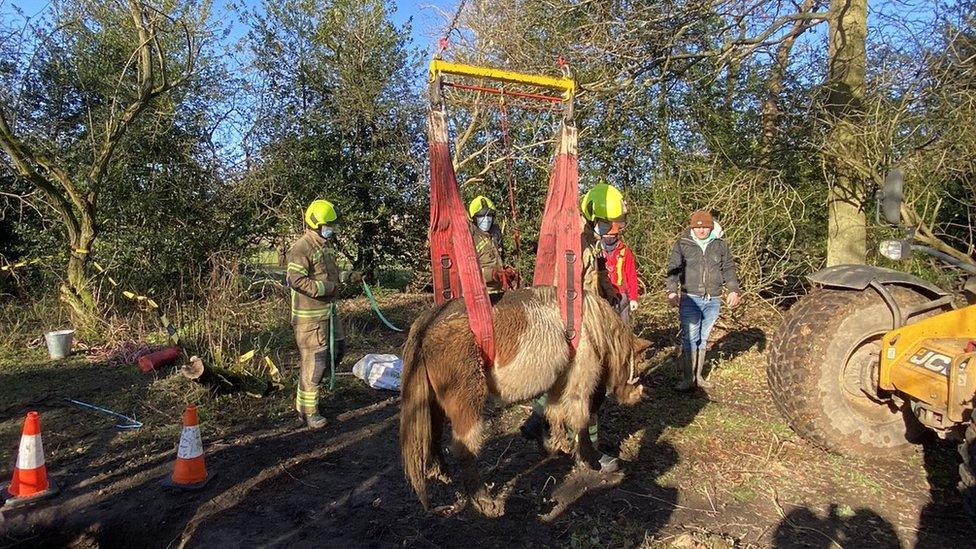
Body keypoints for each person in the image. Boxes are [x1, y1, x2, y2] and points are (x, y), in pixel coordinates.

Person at [520, 182, 627, 473]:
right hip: (575, 322)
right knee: (588, 389)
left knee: (564, 382)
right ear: (594, 216)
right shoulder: (574, 241)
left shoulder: (592, 239)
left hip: (590, 319)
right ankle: (586, 448)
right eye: (608, 223)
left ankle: (538, 421)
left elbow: (599, 271)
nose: (613, 229)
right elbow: (562, 286)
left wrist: (610, 290)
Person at [286, 199, 361, 429]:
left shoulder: (325, 246)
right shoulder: (302, 248)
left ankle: (304, 403)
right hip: (310, 319)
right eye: (328, 225)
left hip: (328, 313)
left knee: (337, 352)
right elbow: (295, 280)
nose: (332, 229)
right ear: (316, 224)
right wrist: (326, 289)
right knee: (315, 363)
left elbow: (331, 276)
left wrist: (348, 277)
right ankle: (309, 412)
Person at [665, 209, 740, 391]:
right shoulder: (683, 244)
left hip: (713, 298)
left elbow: (728, 268)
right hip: (690, 297)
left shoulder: (720, 245)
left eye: (705, 227)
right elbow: (673, 268)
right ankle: (687, 379)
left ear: (711, 227)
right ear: (692, 228)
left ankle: (698, 377)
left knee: (703, 338)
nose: (701, 231)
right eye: (698, 228)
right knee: (690, 337)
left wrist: (733, 290)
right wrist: (672, 291)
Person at [467, 195, 506, 297]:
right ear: (474, 218)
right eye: (481, 217)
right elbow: (467, 271)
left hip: (499, 291)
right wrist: (491, 274)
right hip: (481, 294)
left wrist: (506, 272)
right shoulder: (469, 236)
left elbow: (500, 258)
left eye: (489, 216)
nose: (486, 220)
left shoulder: (495, 233)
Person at [599, 227, 640, 324]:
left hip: (621, 295)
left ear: (616, 235)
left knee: (623, 326)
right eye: (606, 235)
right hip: (602, 295)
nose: (608, 237)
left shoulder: (625, 251)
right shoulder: (597, 251)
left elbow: (631, 275)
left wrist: (633, 298)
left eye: (611, 235)